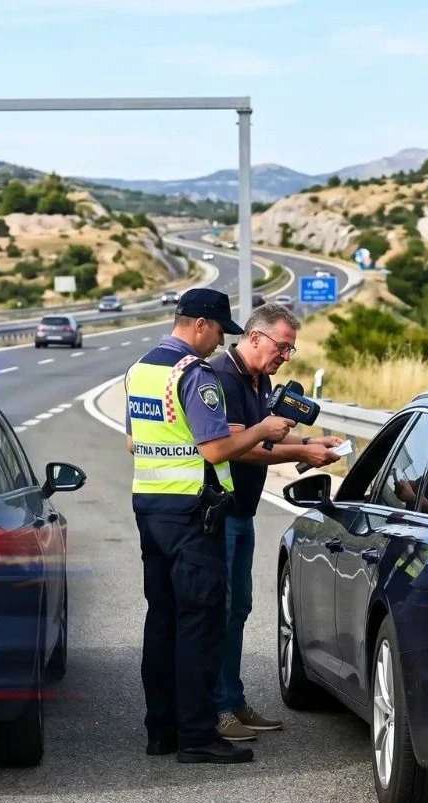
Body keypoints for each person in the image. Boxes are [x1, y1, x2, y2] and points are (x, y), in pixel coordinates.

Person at [125, 288, 293, 764]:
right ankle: (198, 734)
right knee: (199, 623)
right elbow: (215, 448)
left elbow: (133, 442)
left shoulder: (140, 370)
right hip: (193, 514)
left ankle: (161, 730)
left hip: (151, 509)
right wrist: (263, 430)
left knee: (161, 621)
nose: (220, 342)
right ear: (200, 324)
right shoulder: (193, 374)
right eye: (219, 331)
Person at [207, 304, 343, 742]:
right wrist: (302, 453)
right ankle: (217, 709)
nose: (285, 355)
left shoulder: (259, 379)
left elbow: (264, 434)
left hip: (243, 513)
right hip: (220, 514)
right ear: (254, 337)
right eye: (281, 346)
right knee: (220, 611)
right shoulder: (222, 377)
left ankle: (233, 700)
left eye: (290, 349)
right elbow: (238, 446)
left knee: (238, 610)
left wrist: (310, 440)